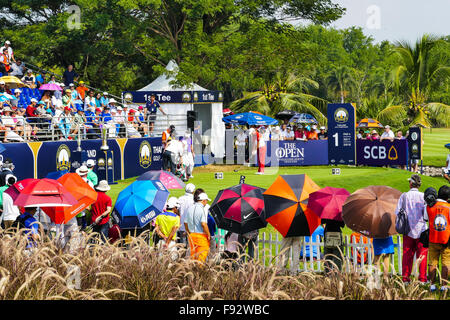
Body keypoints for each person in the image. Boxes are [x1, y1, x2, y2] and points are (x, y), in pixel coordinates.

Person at [395, 174, 428, 283]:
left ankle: (405, 278)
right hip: (422, 230)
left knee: (407, 256)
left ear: (411, 183)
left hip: (407, 230)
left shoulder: (404, 196)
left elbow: (397, 213)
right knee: (422, 256)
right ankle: (422, 279)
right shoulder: (423, 196)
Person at [424, 186, 450, 292]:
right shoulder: (449, 207)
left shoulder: (429, 206)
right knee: (446, 262)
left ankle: (432, 284)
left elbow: (425, 218)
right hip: (446, 239)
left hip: (433, 238)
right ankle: (444, 285)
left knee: (432, 262)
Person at [184, 192, 211, 263]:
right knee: (201, 257)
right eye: (206, 201)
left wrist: (188, 232)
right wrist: (208, 234)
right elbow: (203, 224)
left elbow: (185, 222)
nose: (206, 203)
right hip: (201, 236)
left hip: (192, 235)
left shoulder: (190, 208)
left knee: (193, 257)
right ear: (203, 201)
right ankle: (199, 272)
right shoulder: (201, 209)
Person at [177, 183, 195, 254]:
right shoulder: (193, 200)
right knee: (191, 247)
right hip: (191, 227)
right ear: (193, 191)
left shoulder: (180, 199)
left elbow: (177, 211)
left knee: (182, 247)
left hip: (182, 226)